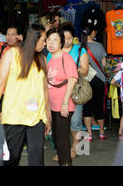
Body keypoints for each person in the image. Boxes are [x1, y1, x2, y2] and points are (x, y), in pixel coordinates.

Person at [0, 24, 51, 166]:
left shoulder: (42, 59)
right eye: (43, 40)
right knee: (12, 157)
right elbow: (0, 83)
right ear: (34, 39)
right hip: (14, 116)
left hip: (37, 118)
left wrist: (47, 115)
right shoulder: (11, 54)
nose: (45, 43)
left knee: (37, 159)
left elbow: (45, 89)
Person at [48, 23, 91, 161]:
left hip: (74, 92)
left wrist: (72, 68)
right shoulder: (51, 53)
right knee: (61, 127)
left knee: (76, 121)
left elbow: (85, 71)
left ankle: (75, 147)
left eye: (69, 38)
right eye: (64, 38)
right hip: (55, 97)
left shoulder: (79, 51)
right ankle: (64, 152)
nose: (67, 41)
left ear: (73, 38)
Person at [46, 27, 78, 166]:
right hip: (52, 104)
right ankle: (64, 162)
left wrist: (65, 102)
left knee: (62, 139)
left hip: (63, 105)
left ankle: (65, 163)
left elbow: (72, 79)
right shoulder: (49, 58)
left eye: (55, 40)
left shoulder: (66, 58)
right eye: (48, 39)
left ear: (61, 43)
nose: (51, 43)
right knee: (56, 137)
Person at [82, 26, 108, 141]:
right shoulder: (99, 46)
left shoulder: (80, 47)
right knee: (99, 107)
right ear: (92, 32)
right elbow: (104, 65)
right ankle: (102, 133)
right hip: (99, 80)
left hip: (86, 80)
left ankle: (89, 134)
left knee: (86, 107)